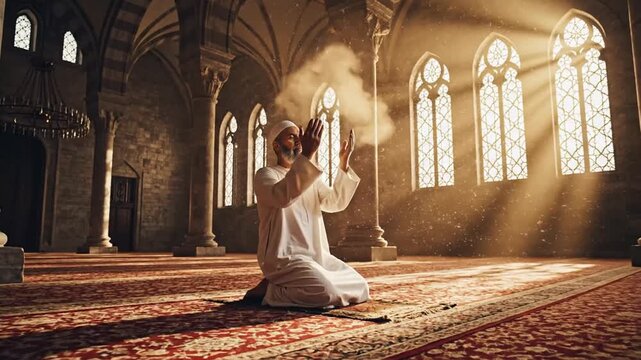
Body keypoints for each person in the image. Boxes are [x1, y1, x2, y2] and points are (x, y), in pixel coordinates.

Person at [244, 118, 370, 308]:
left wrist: (343, 163)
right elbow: (283, 197)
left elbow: (335, 202)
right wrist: (308, 155)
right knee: (325, 293)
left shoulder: (309, 177)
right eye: (291, 137)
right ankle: (271, 290)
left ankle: (279, 287)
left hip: (316, 256)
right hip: (285, 259)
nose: (297, 142)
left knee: (361, 287)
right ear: (276, 146)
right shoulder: (265, 175)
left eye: (299, 138)